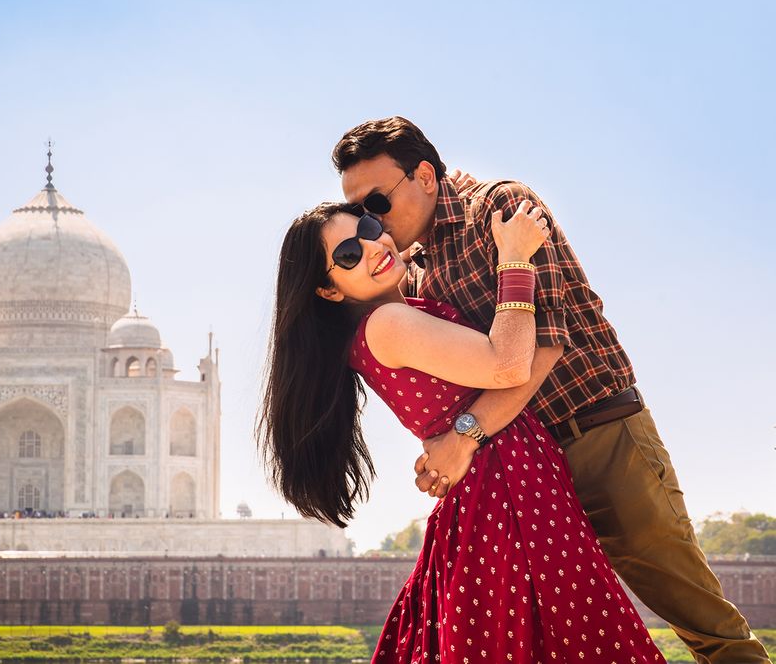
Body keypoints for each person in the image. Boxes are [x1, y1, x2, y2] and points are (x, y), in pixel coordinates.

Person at [330, 116, 769, 663]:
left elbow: (543, 347)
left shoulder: (502, 211)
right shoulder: (412, 270)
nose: (372, 222)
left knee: (697, 616)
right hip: (521, 472)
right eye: (360, 214)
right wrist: (443, 442)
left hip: (600, 435)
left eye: (376, 203)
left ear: (423, 174)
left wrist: (465, 435)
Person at [258, 200, 665, 662]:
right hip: (507, 493)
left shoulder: (386, 317)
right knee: (583, 636)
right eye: (349, 255)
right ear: (329, 291)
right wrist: (514, 258)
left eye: (371, 227)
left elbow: (403, 256)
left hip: (494, 490)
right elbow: (507, 364)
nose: (373, 246)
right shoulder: (388, 323)